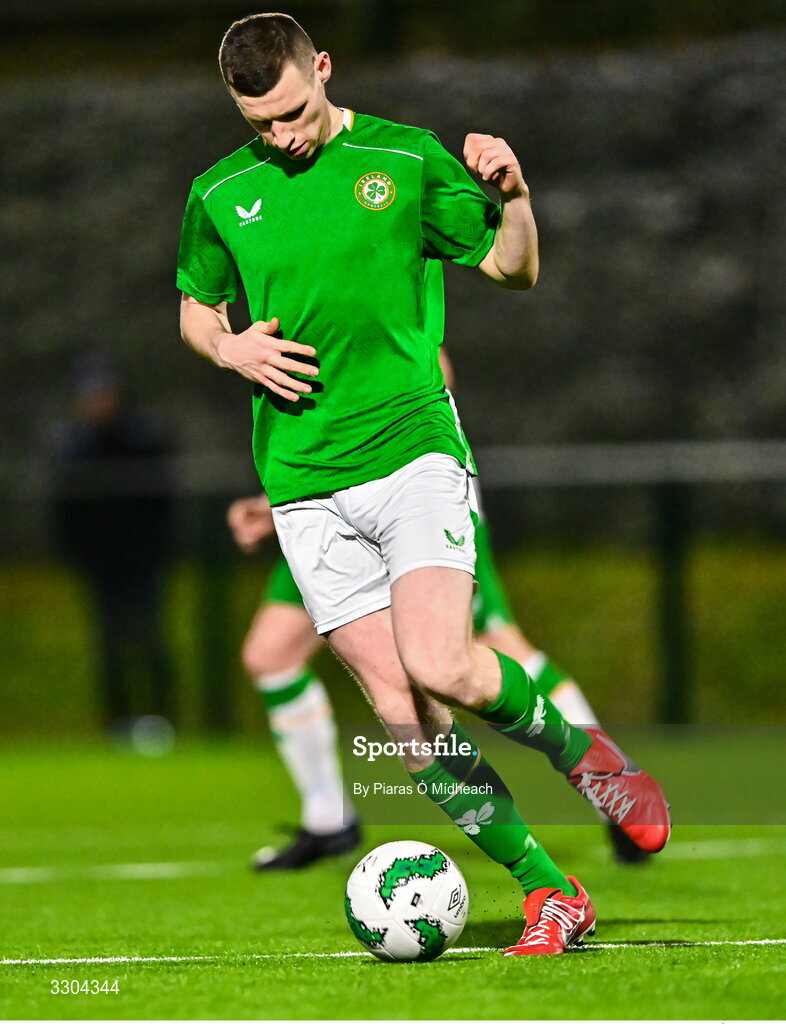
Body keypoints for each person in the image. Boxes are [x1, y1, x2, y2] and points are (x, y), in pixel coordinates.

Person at [177, 12, 670, 955]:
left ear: (322, 68)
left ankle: (593, 762)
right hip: (303, 485)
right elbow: (196, 311)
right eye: (258, 122)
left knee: (445, 662)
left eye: (290, 112)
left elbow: (509, 270)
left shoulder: (404, 159)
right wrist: (229, 345)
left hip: (411, 454)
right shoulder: (219, 193)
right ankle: (550, 890)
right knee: (406, 719)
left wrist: (518, 202)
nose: (279, 136)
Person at [229, 350, 647, 871]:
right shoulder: (269, 284)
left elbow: (429, 369)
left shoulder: (379, 272)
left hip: (413, 492)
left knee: (480, 652)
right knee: (272, 655)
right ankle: (328, 818)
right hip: (316, 500)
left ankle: (610, 785)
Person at [49, 351, 178, 740]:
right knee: (109, 644)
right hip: (100, 563)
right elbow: (64, 513)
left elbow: (163, 503)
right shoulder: (72, 446)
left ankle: (165, 719)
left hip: (144, 560)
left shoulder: (145, 437)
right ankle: (116, 724)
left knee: (152, 639)